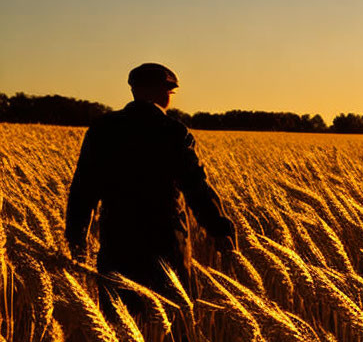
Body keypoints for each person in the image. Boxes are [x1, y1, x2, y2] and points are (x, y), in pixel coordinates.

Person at [65, 63, 235, 317]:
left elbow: (83, 188)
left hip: (118, 241)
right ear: (161, 91)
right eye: (171, 91)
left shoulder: (103, 129)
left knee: (120, 327)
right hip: (167, 244)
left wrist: (77, 237)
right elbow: (196, 186)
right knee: (175, 324)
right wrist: (219, 229)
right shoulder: (172, 132)